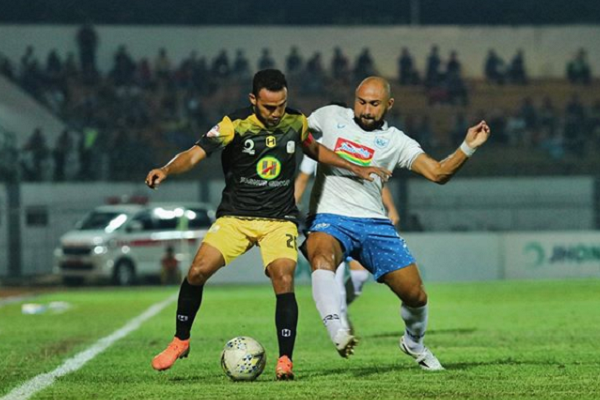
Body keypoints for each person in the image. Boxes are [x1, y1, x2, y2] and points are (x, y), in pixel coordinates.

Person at [146, 69, 389, 380]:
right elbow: (195, 155)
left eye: (281, 105)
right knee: (197, 271)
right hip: (236, 216)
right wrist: (166, 169)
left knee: (284, 278)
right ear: (253, 100)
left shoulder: (296, 121)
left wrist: (355, 165)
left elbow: (314, 148)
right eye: (269, 107)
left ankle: (285, 360)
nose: (276, 113)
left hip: (279, 220)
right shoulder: (232, 124)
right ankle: (180, 340)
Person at [303, 76, 490, 370]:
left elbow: (438, 173)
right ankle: (336, 329)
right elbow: (292, 132)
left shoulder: (396, 142)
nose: (365, 110)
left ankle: (413, 343)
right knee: (320, 255)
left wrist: (468, 147)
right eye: (361, 102)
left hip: (374, 224)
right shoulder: (329, 116)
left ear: (389, 104)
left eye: (374, 104)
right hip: (329, 216)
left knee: (415, 295)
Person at [295, 146, 400, 333]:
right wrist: (292, 207)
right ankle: (340, 322)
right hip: (328, 218)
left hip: (359, 218)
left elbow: (377, 179)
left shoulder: (360, 145)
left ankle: (341, 308)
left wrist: (391, 208)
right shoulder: (317, 145)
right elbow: (302, 179)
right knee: (335, 271)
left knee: (360, 277)